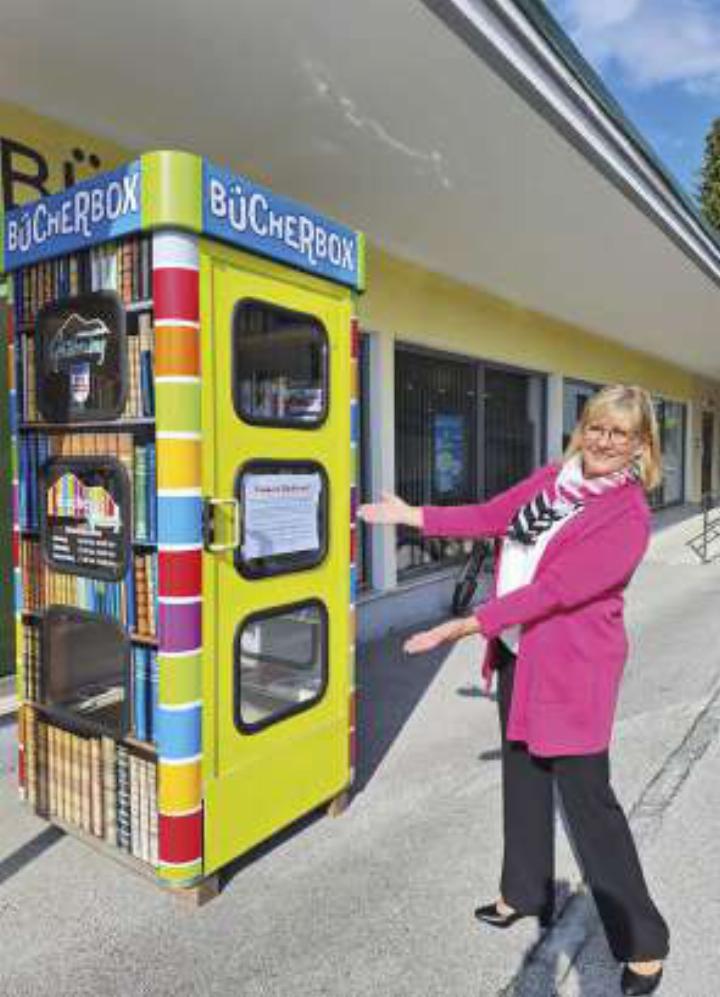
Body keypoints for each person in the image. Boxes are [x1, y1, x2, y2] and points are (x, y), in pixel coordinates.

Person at [358, 384, 669, 996]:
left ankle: (643, 942)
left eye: (621, 433)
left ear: (641, 446)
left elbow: (557, 590)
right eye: (598, 427)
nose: (606, 441)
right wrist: (413, 515)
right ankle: (522, 892)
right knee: (523, 778)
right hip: (520, 655)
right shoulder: (555, 480)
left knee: (590, 806)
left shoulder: (626, 515)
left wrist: (473, 622)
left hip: (574, 670)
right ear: (584, 428)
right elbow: (490, 515)